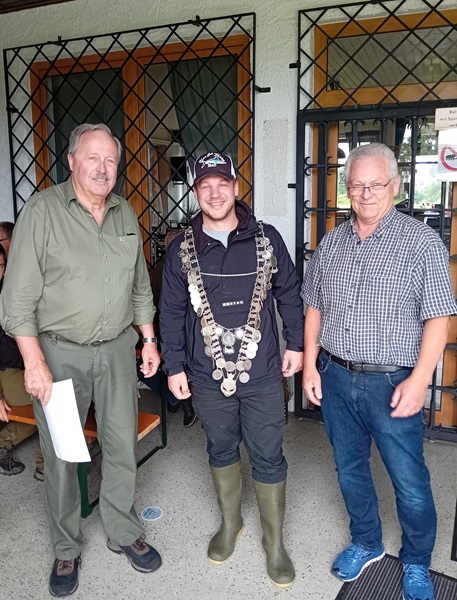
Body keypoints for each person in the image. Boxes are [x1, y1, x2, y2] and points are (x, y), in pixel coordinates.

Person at [0, 123, 162, 598]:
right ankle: (66, 547)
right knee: (63, 454)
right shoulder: (42, 211)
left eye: (111, 160)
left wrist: (148, 340)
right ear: (71, 161)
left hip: (116, 351)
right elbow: (16, 299)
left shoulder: (124, 211)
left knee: (121, 444)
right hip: (59, 354)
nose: (102, 168)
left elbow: (139, 286)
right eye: (93, 157)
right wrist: (34, 361)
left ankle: (122, 529)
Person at [301, 143, 456, 600]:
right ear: (347, 189)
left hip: (393, 382)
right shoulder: (332, 243)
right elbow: (314, 307)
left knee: (409, 481)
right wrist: (309, 366)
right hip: (335, 375)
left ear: (396, 185)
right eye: (357, 185)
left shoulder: (421, 242)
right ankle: (367, 541)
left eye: (376, 184)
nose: (365, 193)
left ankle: (416, 561)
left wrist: (420, 379)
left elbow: (439, 317)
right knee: (349, 469)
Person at [159, 152, 304, 587]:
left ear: (236, 188)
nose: (215, 192)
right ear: (196, 192)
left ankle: (274, 543)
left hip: (262, 374)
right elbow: (171, 311)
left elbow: (289, 292)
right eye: (205, 185)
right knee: (220, 448)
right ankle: (230, 524)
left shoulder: (266, 240)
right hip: (206, 375)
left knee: (268, 453)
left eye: (222, 183)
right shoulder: (182, 248)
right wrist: (174, 366)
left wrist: (297, 344)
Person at [139, 229, 197, 427]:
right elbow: (161, 303)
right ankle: (177, 398)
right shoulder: (167, 268)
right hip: (170, 325)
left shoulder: (190, 264)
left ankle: (177, 398)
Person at [0, 234, 44, 480]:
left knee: (40, 408)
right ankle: (47, 464)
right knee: (50, 400)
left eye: (0, 265)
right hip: (7, 374)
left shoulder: (10, 293)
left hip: (25, 366)